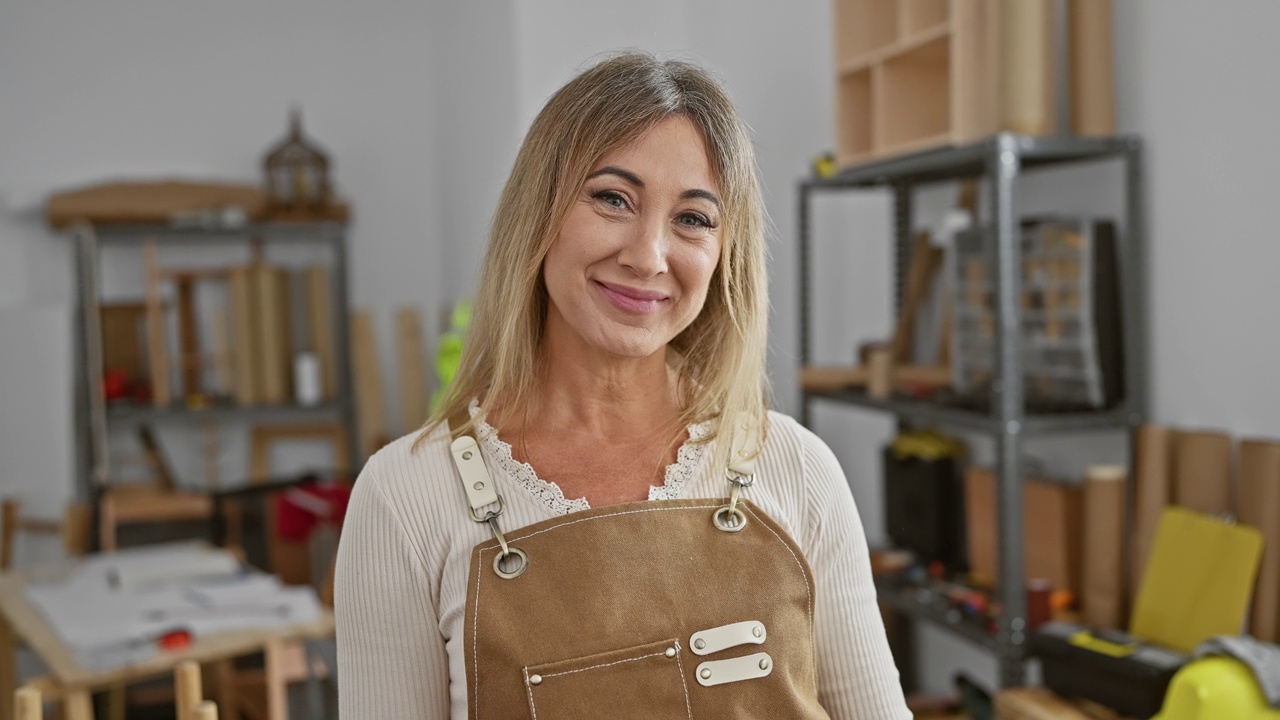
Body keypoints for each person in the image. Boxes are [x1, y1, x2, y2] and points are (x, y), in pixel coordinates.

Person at [335, 52, 911, 719]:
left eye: (693, 218)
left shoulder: (799, 471)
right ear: (539, 212)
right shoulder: (405, 498)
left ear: (727, 254)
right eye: (613, 198)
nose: (648, 256)